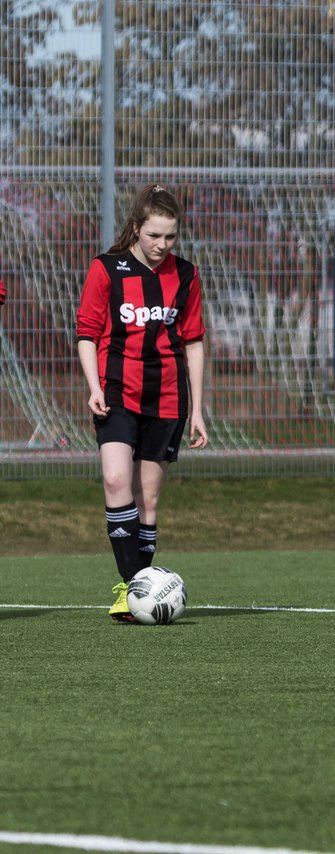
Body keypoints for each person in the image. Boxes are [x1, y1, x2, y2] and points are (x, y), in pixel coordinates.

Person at [76, 184, 209, 622]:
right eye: (154, 236)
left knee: (147, 499)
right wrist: (94, 386)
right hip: (115, 390)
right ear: (136, 227)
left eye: (170, 237)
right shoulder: (107, 269)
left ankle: (141, 596)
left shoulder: (185, 276)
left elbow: (193, 342)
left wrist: (199, 410)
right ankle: (132, 586)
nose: (162, 245)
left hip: (168, 397)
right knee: (117, 481)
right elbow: (87, 334)